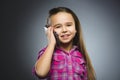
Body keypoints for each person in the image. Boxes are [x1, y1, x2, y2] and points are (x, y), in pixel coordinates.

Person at [33, 7, 96, 80]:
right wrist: (51, 43)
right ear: (50, 30)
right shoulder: (47, 53)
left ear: (76, 29)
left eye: (68, 25)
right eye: (58, 26)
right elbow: (41, 73)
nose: (64, 30)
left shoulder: (81, 55)